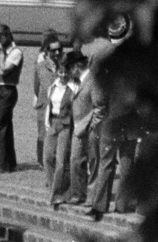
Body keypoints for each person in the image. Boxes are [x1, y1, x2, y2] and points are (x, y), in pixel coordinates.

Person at [82, 16, 136, 220]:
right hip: (131, 114)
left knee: (106, 161)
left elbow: (99, 89)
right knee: (127, 160)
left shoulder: (102, 55)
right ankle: (124, 203)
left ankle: (100, 205)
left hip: (110, 114)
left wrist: (99, 109)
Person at [44, 56, 75, 208]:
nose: (63, 75)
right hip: (53, 123)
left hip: (65, 125)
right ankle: (53, 188)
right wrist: (47, 122)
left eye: (65, 72)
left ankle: (57, 194)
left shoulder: (72, 89)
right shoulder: (53, 86)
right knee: (48, 157)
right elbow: (49, 106)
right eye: (61, 72)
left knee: (61, 162)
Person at [0, 22, 22, 173]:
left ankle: (0, 164)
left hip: (8, 89)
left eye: (3, 35)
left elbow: (4, 70)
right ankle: (10, 162)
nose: (1, 39)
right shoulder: (2, 51)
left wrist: (0, 52)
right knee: (5, 127)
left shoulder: (15, 52)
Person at [67, 51, 96, 205]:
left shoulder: (93, 80)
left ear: (76, 67)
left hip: (91, 127)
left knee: (93, 161)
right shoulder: (76, 82)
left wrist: (84, 124)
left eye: (69, 68)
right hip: (78, 127)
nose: (69, 72)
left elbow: (97, 106)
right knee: (76, 160)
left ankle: (92, 196)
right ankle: (78, 193)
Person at [33, 34, 62, 164]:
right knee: (42, 134)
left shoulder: (65, 65)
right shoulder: (40, 67)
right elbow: (36, 87)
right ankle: (41, 161)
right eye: (53, 50)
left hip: (60, 107)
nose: (57, 52)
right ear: (47, 51)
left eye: (59, 49)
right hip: (44, 105)